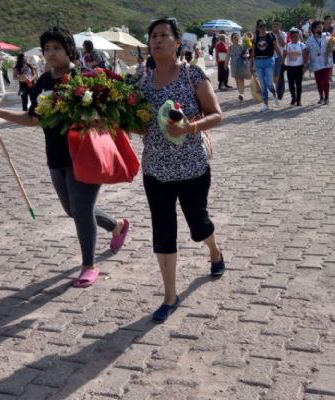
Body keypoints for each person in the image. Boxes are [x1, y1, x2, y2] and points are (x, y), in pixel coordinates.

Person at [0, 27, 130, 289]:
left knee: (82, 211)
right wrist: (0, 113)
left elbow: (108, 111)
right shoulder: (42, 81)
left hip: (84, 153)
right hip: (55, 156)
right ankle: (116, 225)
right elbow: (33, 118)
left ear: (68, 50)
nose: (51, 53)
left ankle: (89, 265)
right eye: (47, 49)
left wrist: (94, 116)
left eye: (56, 48)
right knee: (71, 210)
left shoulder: (84, 77)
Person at [139, 18, 224, 323]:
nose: (158, 40)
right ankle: (170, 296)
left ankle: (214, 251)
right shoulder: (142, 83)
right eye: (153, 36)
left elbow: (216, 114)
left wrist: (192, 126)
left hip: (192, 167)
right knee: (163, 232)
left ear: (177, 43)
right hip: (155, 170)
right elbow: (137, 124)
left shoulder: (193, 75)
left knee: (198, 225)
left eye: (164, 35)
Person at [250, 19, 282, 112]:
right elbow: (253, 51)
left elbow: (276, 48)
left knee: (269, 83)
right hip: (258, 62)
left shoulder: (271, 35)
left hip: (269, 61)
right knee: (263, 85)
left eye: (264, 25)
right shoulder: (255, 38)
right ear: (258, 27)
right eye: (261, 26)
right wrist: (251, 65)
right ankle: (265, 104)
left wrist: (281, 59)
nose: (263, 27)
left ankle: (274, 94)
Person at [306, 21, 332, 105]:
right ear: (313, 29)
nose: (320, 28)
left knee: (325, 80)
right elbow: (306, 51)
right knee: (318, 81)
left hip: (325, 61)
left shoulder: (327, 36)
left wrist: (332, 48)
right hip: (315, 62)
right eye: (318, 27)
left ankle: (327, 97)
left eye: (321, 27)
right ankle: (321, 97)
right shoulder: (310, 39)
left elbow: (333, 46)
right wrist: (306, 62)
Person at [283, 28, 307, 106]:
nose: (295, 38)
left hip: (299, 67)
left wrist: (304, 65)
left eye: (296, 37)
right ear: (290, 37)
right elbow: (284, 55)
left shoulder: (301, 45)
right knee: (290, 84)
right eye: (293, 37)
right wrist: (282, 64)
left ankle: (299, 100)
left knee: (298, 84)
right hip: (290, 67)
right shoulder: (287, 45)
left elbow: (305, 56)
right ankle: (293, 97)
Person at [228, 32, 249, 102]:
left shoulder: (242, 46)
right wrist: (225, 63)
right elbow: (228, 56)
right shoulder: (230, 47)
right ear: (232, 39)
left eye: (237, 37)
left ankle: (241, 94)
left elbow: (246, 54)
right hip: (234, 65)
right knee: (237, 80)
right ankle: (240, 92)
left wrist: (245, 55)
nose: (236, 38)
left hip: (241, 64)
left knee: (241, 79)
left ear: (239, 38)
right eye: (234, 37)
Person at [271, 20, 287, 101]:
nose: (275, 27)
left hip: (279, 56)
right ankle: (277, 87)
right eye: (274, 25)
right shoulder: (269, 34)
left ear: (279, 26)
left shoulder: (283, 34)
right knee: (273, 75)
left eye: (277, 25)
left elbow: (283, 44)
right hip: (271, 57)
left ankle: (278, 90)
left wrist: (278, 34)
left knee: (278, 74)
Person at [323, 15, 335, 82]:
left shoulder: (332, 28)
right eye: (329, 19)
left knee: (330, 62)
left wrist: (334, 45)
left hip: (330, 46)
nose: (331, 21)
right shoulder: (321, 28)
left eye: (331, 19)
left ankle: (330, 76)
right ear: (325, 20)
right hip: (322, 47)